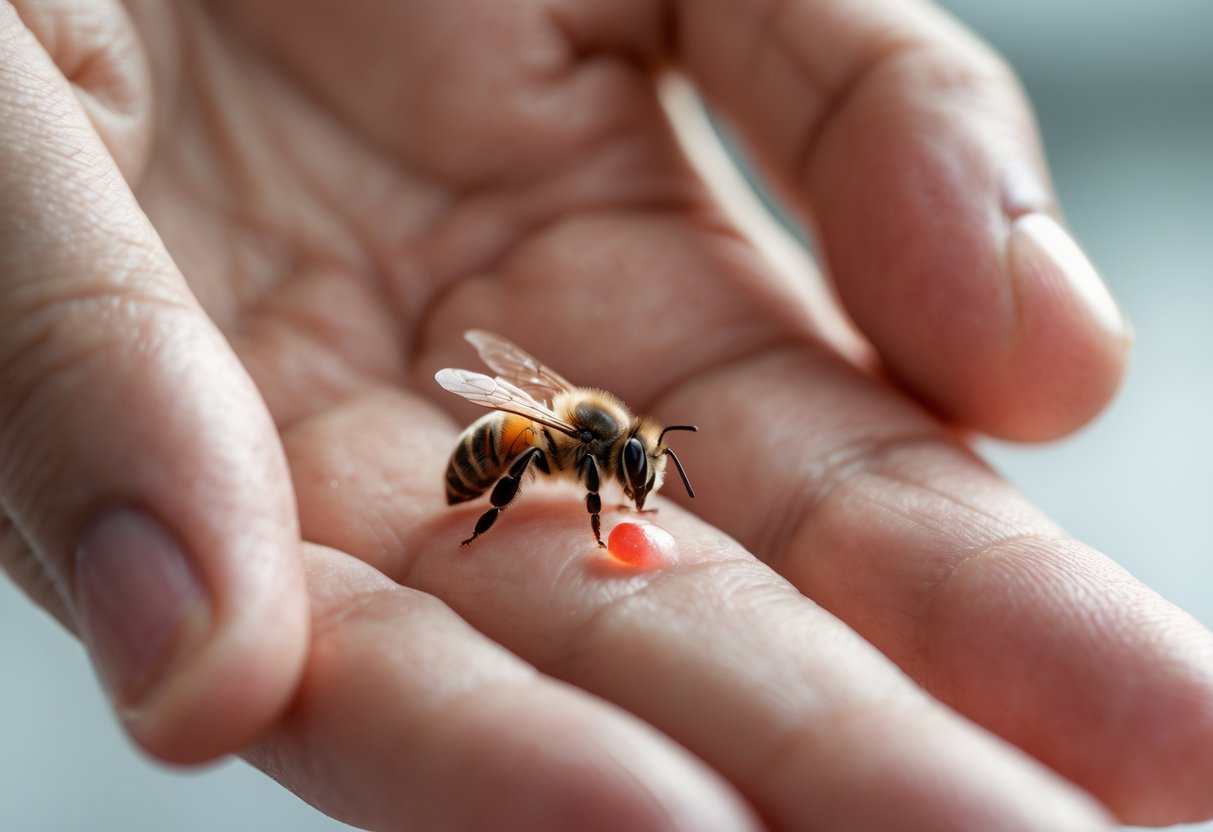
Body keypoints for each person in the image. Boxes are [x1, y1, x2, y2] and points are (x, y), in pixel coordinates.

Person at [1, 1, 1209, 829]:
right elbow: (520, 424)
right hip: (487, 452)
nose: (631, 479)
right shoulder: (563, 441)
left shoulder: (597, 435)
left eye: (634, 467)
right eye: (629, 467)